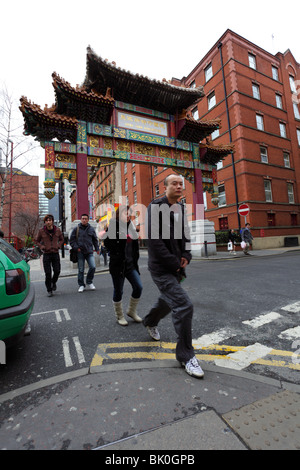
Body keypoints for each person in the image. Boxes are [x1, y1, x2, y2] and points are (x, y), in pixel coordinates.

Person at [143, 174, 204, 379]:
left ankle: (150, 321)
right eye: (174, 183)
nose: (179, 186)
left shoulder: (180, 207)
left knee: (168, 301)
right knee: (184, 305)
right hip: (162, 268)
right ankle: (186, 356)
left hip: (177, 266)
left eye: (181, 184)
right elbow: (154, 241)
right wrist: (173, 263)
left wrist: (187, 255)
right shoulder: (155, 207)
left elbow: (185, 234)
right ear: (165, 186)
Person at [104, 206, 143, 326]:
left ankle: (131, 311)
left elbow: (135, 247)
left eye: (128, 214)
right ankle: (119, 315)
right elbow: (107, 245)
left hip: (130, 265)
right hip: (118, 265)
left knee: (138, 287)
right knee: (118, 291)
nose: (127, 216)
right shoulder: (113, 226)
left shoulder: (131, 227)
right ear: (118, 215)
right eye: (125, 214)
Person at [70, 214, 100, 292]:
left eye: (85, 219)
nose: (84, 220)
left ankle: (89, 281)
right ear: (81, 219)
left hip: (89, 251)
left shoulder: (91, 229)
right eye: (82, 218)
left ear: (87, 220)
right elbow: (72, 241)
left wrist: (97, 249)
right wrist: (77, 248)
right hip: (80, 252)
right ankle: (81, 285)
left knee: (93, 267)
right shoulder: (76, 229)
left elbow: (95, 240)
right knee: (81, 270)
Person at [36, 214, 64, 297]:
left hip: (55, 253)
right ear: (45, 222)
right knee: (48, 273)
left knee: (57, 271)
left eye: (50, 220)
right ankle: (49, 289)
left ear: (52, 221)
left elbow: (62, 239)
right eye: (47, 220)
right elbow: (37, 241)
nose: (48, 222)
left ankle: (53, 282)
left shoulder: (58, 230)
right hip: (46, 254)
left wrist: (59, 246)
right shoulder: (41, 231)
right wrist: (41, 246)